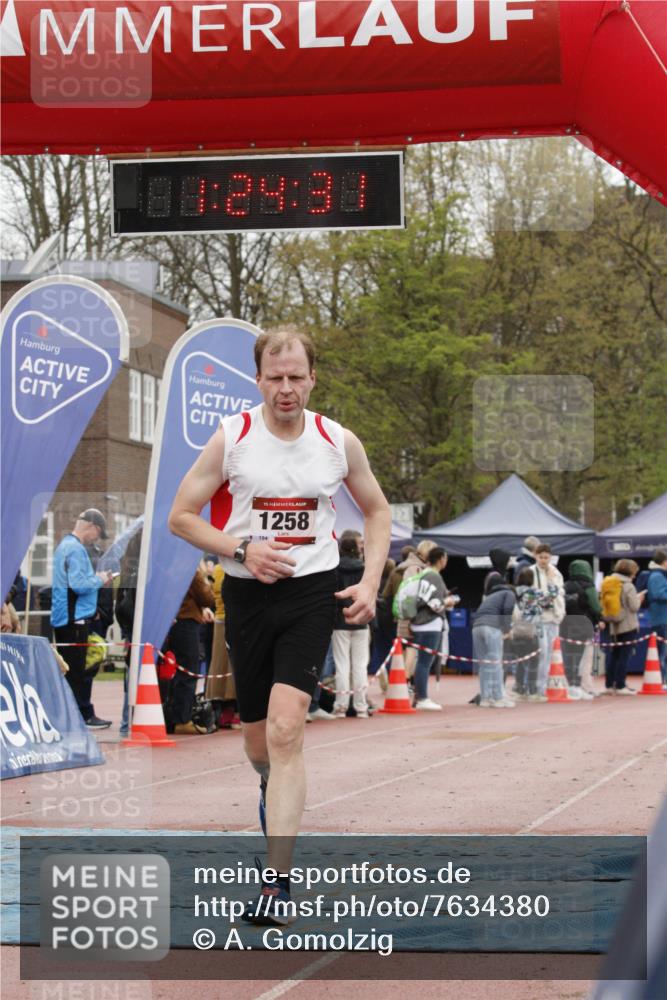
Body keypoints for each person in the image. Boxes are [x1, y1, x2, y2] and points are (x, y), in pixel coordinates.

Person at [168, 326, 391, 924]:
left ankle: (277, 884)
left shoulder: (337, 441)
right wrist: (241, 551)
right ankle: (272, 784)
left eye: (297, 377)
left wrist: (369, 581)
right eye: (275, 377)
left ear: (312, 378)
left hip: (312, 593)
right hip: (247, 595)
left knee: (289, 731)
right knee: (259, 741)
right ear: (258, 379)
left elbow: (376, 510)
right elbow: (181, 517)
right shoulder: (233, 438)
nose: (286, 388)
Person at [50, 509, 114, 728]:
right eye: (98, 533)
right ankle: (80, 717)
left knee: (71, 671)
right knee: (77, 672)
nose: (96, 538)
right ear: (92, 527)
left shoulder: (64, 546)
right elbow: (79, 585)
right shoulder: (76, 549)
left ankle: (75, 716)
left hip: (66, 617)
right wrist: (100, 579)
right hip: (75, 619)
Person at [164, 568, 215, 734]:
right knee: (188, 671)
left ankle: (169, 717)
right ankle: (182, 719)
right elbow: (206, 597)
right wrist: (207, 581)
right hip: (186, 622)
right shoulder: (189, 567)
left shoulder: (164, 564)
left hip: (170, 620)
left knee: (171, 672)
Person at [332, 535, 371, 718]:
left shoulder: (335, 568)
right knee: (360, 666)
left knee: (341, 665)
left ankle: (341, 706)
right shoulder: (363, 568)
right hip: (361, 621)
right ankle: (361, 706)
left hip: (340, 621)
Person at [410, 546, 453, 711]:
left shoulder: (423, 574)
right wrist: (447, 603)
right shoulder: (434, 577)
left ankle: (419, 696)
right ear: (441, 558)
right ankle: (422, 698)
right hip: (429, 623)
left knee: (421, 661)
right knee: (425, 662)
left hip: (418, 622)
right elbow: (433, 604)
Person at [472, 571, 516, 708]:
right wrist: (507, 629)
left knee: (484, 664)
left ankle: (486, 698)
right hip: (492, 627)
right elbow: (507, 609)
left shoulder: (490, 596)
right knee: (496, 662)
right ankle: (498, 698)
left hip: (476, 627)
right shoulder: (509, 593)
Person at [561, 559, 603, 699]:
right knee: (583, 657)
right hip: (584, 625)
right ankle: (581, 687)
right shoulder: (588, 586)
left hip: (566, 624)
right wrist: (599, 619)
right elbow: (596, 607)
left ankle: (569, 685)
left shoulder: (565, 585)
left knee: (568, 656)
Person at [602, 559, 644, 695]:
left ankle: (609, 685)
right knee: (624, 656)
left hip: (614, 625)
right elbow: (634, 606)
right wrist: (639, 598)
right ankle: (620, 685)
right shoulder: (628, 586)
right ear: (630, 571)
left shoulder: (610, 582)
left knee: (614, 655)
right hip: (628, 625)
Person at [530, 543, 565, 697]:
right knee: (542, 652)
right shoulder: (531, 572)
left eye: (546, 557)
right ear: (535, 556)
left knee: (551, 653)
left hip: (554, 616)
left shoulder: (555, 572)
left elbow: (559, 592)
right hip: (539, 617)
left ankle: (547, 685)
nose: (544, 560)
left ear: (551, 557)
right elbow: (532, 594)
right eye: (541, 557)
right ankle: (538, 688)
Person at [510, 568, 541, 700]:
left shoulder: (513, 592)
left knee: (520, 661)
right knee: (533, 661)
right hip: (530, 632)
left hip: (516, 631)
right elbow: (544, 606)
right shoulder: (534, 592)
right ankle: (532, 689)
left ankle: (519, 688)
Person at [645, 549, 667, 688]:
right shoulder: (657, 576)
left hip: (662, 618)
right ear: (664, 562)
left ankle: (663, 679)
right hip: (661, 618)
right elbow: (659, 595)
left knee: (663, 651)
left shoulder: (658, 575)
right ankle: (661, 679)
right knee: (661, 652)